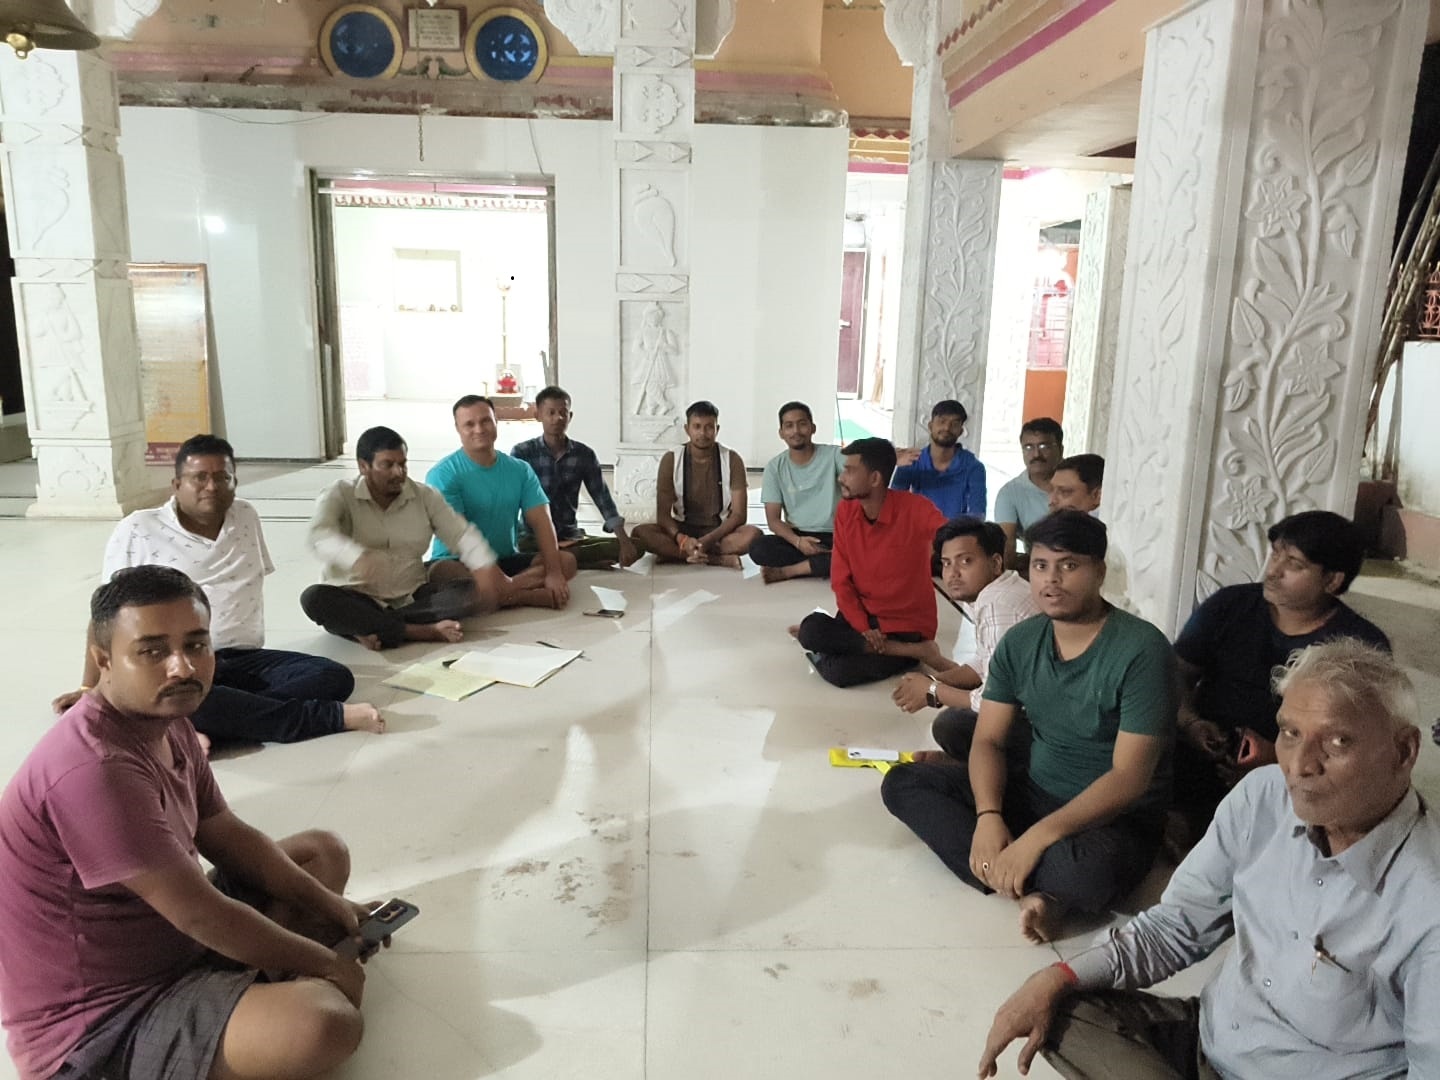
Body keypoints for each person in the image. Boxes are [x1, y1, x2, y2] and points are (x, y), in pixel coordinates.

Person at [978, 639, 1438, 1080]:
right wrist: (1059, 975)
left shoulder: (1428, 897)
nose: (1300, 765)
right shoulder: (1263, 798)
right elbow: (1177, 926)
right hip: (1211, 1040)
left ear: (1404, 751)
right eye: (1291, 733)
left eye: (1337, 742)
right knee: (1060, 1010)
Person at [0, 566, 379, 1080]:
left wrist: (331, 906)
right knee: (322, 1024)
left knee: (321, 854)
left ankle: (244, 991)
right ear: (103, 660)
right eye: (152, 651)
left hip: (175, 940)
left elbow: (222, 829)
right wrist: (326, 963)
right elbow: (201, 915)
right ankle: (248, 997)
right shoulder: (93, 770)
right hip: (106, 1021)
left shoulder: (168, 718)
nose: (182, 667)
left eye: (196, 645)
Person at [881, 511, 1175, 943]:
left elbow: (1129, 779)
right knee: (902, 783)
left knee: (1088, 873)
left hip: (1112, 818)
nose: (1051, 579)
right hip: (1036, 791)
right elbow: (988, 739)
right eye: (1040, 565)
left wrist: (1035, 839)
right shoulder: (1021, 642)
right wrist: (988, 816)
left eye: (1069, 565)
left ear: (1099, 572)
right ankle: (1035, 884)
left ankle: (1030, 876)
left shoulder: (1142, 650)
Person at [50, 435, 381, 750]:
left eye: (223, 477)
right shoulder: (139, 529)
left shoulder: (245, 517)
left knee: (332, 677)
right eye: (200, 478)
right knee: (179, 696)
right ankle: (325, 718)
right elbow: (105, 616)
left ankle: (188, 726)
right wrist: (89, 687)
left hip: (241, 657)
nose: (212, 486)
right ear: (177, 485)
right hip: (177, 664)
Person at [1172, 510, 1390, 831]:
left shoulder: (1359, 645)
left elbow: (1361, 742)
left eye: (1294, 564)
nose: (1273, 571)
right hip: (1203, 755)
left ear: (1332, 580)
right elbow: (1174, 673)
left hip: (1300, 779)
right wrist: (1191, 723)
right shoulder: (1230, 606)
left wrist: (1280, 759)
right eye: (1275, 555)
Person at [301, 426, 506, 650]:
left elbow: (461, 534)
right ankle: (419, 631)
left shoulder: (425, 496)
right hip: (356, 595)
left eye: (402, 464)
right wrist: (355, 558)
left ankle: (369, 628)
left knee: (468, 590)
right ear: (363, 466)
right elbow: (319, 534)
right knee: (314, 598)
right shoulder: (340, 493)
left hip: (411, 596)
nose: (398, 473)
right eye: (387, 465)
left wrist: (483, 568)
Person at [792, 438, 946, 688]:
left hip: (905, 625)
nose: (841, 477)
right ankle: (912, 652)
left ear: (875, 478)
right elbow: (840, 580)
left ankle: (907, 647)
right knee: (811, 629)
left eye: (850, 471)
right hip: (862, 617)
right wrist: (863, 627)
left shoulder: (915, 508)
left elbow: (950, 534)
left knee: (838, 671)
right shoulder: (846, 511)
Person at [887, 519, 1037, 762]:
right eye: (946, 563)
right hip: (1030, 707)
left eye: (966, 561)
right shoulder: (1001, 589)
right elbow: (986, 662)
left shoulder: (998, 604)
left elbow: (993, 699)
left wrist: (933, 691)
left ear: (995, 563)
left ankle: (985, 770)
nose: (952, 573)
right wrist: (935, 681)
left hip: (1044, 727)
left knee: (952, 724)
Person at [427, 395, 576, 609]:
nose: (479, 429)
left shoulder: (520, 470)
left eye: (485, 421)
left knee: (565, 562)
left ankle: (504, 592)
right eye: (469, 424)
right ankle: (524, 596)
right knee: (444, 575)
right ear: (458, 429)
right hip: (458, 561)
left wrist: (553, 573)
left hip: (505, 559)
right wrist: (489, 576)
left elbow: (542, 521)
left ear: (496, 421)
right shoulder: (443, 474)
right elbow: (460, 536)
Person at [510, 385, 642, 570]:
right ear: (538, 415)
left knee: (638, 546)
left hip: (569, 536)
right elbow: (510, 499)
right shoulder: (522, 452)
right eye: (551, 413)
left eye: (563, 413)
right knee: (517, 552)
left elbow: (602, 496)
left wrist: (623, 539)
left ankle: (563, 557)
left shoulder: (584, 454)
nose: (558, 418)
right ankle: (577, 560)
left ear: (570, 416)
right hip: (532, 539)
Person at [631, 400, 761, 566]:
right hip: (682, 528)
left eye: (709, 427)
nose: (703, 433)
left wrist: (708, 539)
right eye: (697, 427)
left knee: (753, 535)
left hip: (718, 532)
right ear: (687, 429)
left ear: (717, 429)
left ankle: (677, 555)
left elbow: (739, 515)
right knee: (640, 533)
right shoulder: (671, 459)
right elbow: (663, 515)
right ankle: (715, 559)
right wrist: (682, 539)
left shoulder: (732, 459)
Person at [749, 400, 844, 583]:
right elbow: (773, 520)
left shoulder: (834, 456)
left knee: (862, 550)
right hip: (798, 536)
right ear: (781, 433)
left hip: (836, 534)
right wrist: (798, 542)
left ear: (813, 428)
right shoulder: (775, 467)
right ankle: (826, 563)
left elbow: (860, 469)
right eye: (789, 426)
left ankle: (790, 571)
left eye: (802, 424)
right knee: (759, 548)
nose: (796, 431)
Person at [890, 400, 986, 519]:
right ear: (930, 426)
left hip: (955, 530)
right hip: (918, 529)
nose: (947, 428)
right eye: (942, 421)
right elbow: (894, 506)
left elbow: (977, 515)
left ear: (961, 431)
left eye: (954, 424)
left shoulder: (974, 467)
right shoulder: (911, 462)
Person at [994, 418, 1064, 568]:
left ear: (1061, 449)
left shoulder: (1080, 483)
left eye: (1044, 446)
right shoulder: (1010, 493)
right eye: (1028, 447)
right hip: (1039, 569)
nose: (1036, 454)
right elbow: (1006, 547)